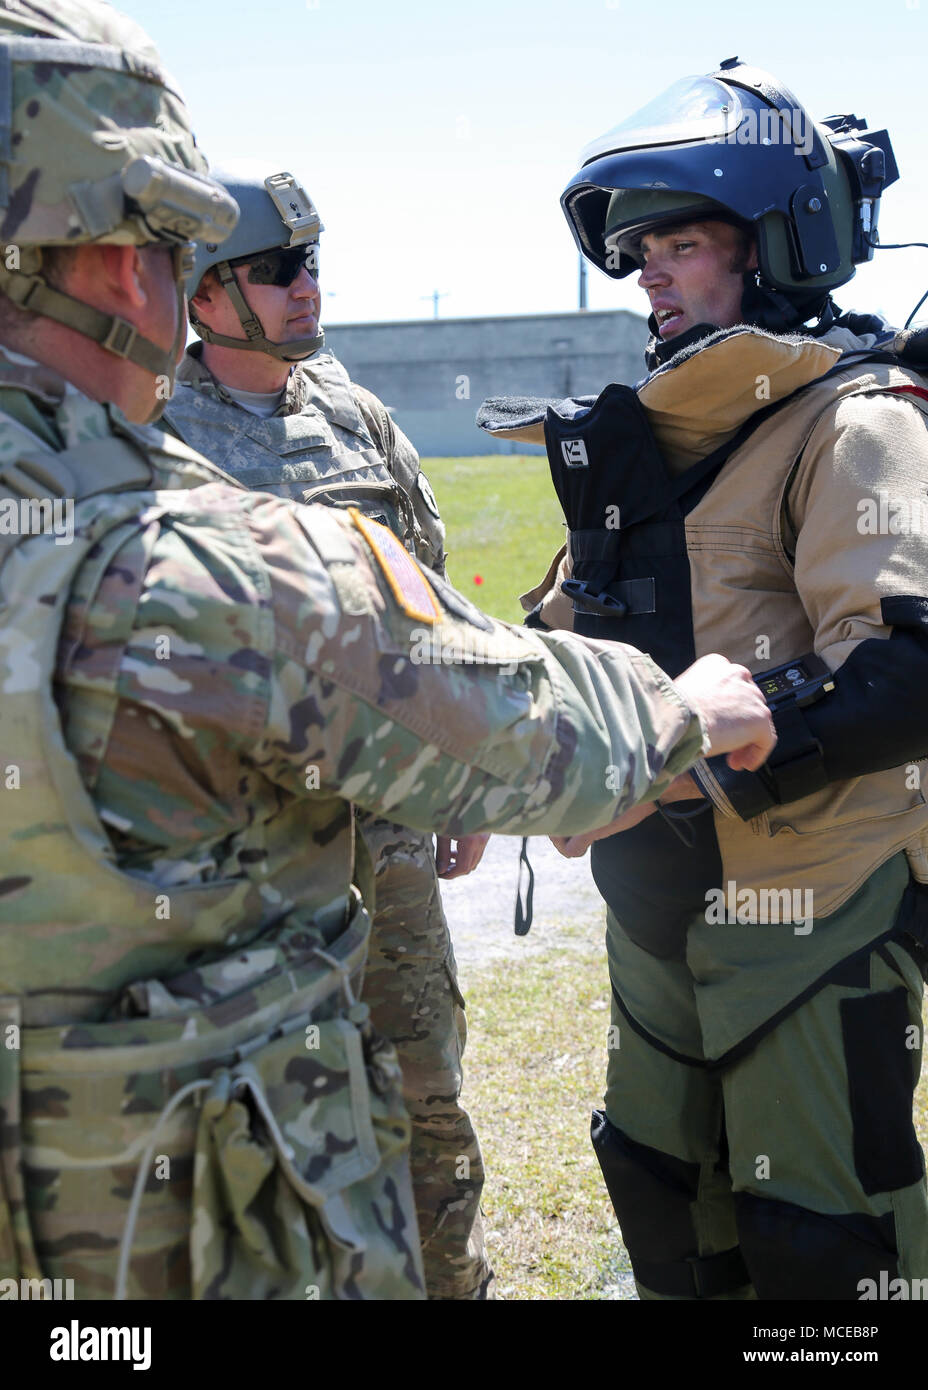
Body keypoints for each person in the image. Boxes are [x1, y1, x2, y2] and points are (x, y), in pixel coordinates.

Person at [0, 3, 774, 1302]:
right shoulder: (213, 565)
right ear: (130, 267)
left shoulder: (332, 431)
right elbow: (519, 728)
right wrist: (686, 705)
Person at [479, 58, 928, 1300]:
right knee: (664, 1190)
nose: (649, 274)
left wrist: (686, 745)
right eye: (639, 253)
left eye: (680, 243)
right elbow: (572, 637)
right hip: (653, 891)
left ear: (773, 242)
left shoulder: (855, 418)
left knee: (822, 1236)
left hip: (812, 896)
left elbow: (902, 672)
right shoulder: (649, 438)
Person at [160, 167, 493, 1300]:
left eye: (311, 263)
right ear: (205, 298)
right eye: (276, 271)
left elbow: (435, 605)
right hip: (239, 851)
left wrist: (458, 783)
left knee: (425, 1094)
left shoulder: (356, 416)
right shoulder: (149, 431)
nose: (308, 288)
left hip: (387, 828)